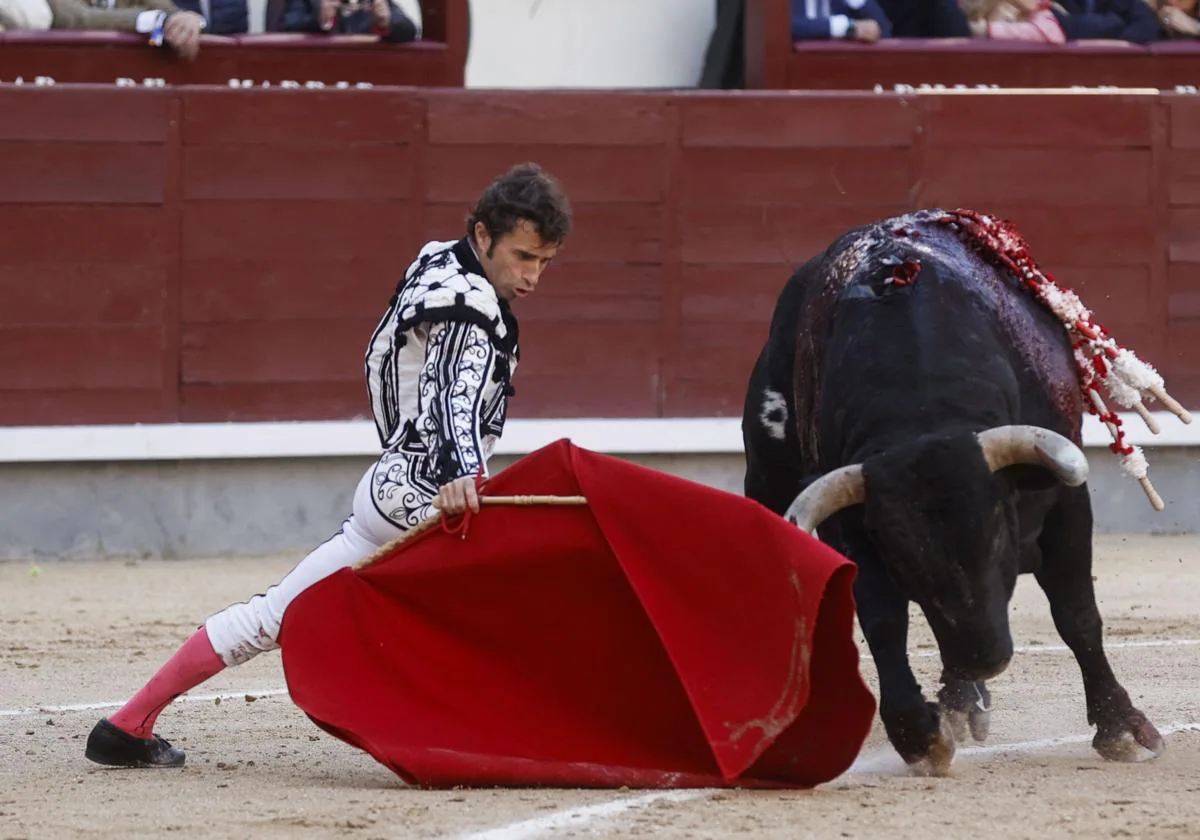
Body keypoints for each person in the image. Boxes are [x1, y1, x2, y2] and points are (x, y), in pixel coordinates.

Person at [84, 162, 573, 768]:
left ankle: (127, 723)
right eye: (523, 257)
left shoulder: (437, 262)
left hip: (387, 490)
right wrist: (459, 473)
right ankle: (516, 739)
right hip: (429, 500)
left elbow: (402, 365)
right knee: (526, 609)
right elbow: (453, 390)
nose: (531, 276)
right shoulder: (471, 307)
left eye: (544, 262)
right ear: (482, 237)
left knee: (271, 616)